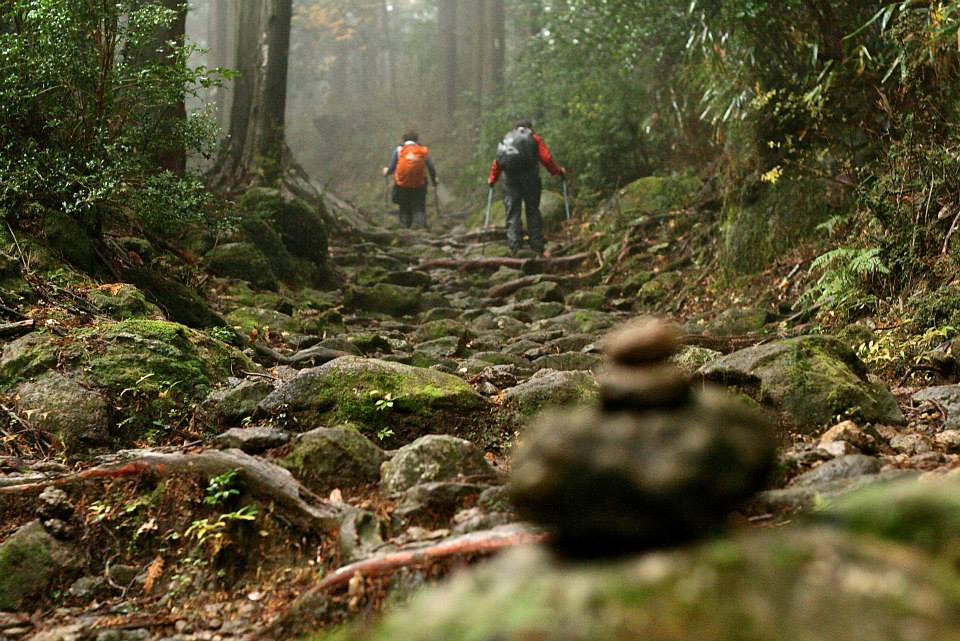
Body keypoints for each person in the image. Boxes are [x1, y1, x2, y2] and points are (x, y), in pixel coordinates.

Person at [488, 119, 565, 255]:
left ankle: (514, 247)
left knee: (513, 211)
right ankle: (536, 245)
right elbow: (546, 158)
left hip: (510, 179)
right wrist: (557, 171)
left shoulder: (508, 139)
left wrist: (492, 179)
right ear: (530, 128)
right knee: (532, 210)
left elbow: (498, 161)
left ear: (515, 128)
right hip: (530, 178)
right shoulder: (534, 138)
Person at [383, 129, 437, 229]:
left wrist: (386, 172)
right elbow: (431, 167)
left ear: (404, 140)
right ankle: (421, 229)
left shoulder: (399, 150)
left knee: (404, 208)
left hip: (402, 184)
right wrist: (434, 181)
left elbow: (392, 168)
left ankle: (404, 230)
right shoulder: (423, 150)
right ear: (416, 140)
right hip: (419, 184)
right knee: (419, 207)